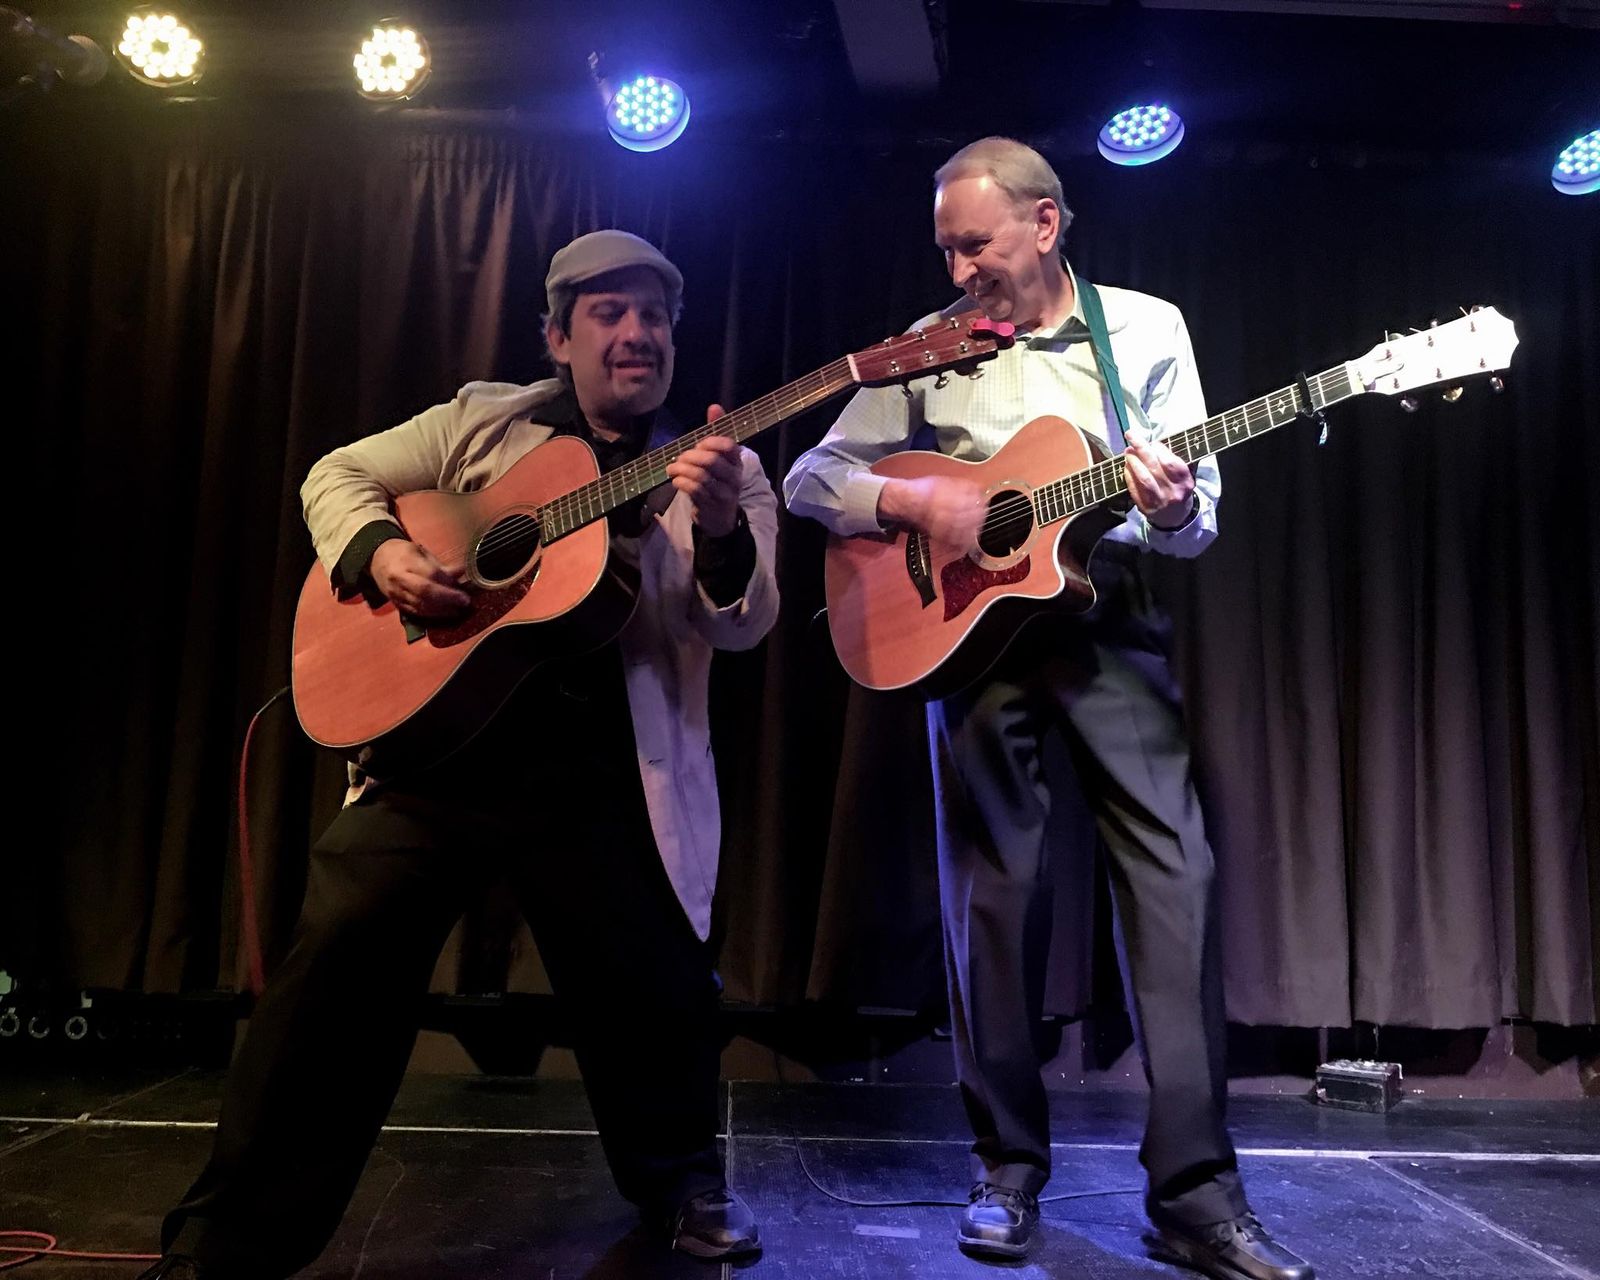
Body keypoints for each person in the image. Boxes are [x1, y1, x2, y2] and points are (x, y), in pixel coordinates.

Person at [140, 229, 778, 1279]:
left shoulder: (724, 467)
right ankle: (222, 1243)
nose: (636, 333)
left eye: (654, 315)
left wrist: (717, 527)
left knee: (656, 983)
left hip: (609, 772)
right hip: (441, 762)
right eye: (608, 313)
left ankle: (683, 1186)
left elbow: (745, 622)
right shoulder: (484, 420)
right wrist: (381, 551)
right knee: (329, 971)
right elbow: (338, 473)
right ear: (558, 337)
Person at [784, 138, 1313, 1280]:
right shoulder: (930, 345)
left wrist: (1169, 505)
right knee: (996, 900)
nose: (959, 268)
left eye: (974, 244)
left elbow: (1198, 520)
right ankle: (1006, 1168)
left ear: (1044, 225)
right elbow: (809, 478)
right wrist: (920, 504)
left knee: (1177, 878)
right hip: (973, 634)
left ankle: (1196, 1195)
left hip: (1106, 615)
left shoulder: (1145, 328)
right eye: (945, 249)